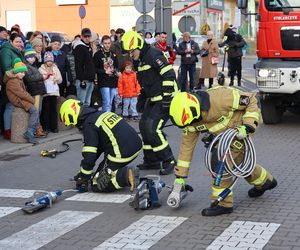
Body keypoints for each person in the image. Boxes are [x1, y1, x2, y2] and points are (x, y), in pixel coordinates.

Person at [168, 88, 277, 216]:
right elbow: (186, 148)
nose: (191, 125)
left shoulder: (220, 99)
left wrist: (247, 126)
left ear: (195, 111)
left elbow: (250, 99)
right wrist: (180, 177)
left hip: (239, 133)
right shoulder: (190, 121)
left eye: (192, 122)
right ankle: (265, 181)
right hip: (222, 139)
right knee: (238, 164)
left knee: (219, 163)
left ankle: (223, 204)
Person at [121, 31, 179, 175]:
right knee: (143, 126)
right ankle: (151, 160)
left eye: (132, 50)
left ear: (139, 46)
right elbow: (147, 81)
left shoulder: (153, 54)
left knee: (152, 128)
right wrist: (142, 97)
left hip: (166, 97)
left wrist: (167, 97)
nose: (131, 54)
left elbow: (169, 74)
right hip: (153, 98)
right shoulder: (140, 60)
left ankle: (168, 160)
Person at [59, 99, 142, 193]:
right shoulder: (99, 114)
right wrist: (83, 173)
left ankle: (125, 175)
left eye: (73, 125)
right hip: (135, 145)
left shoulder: (89, 125)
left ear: (72, 116)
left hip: (121, 153)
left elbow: (90, 155)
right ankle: (117, 172)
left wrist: (84, 177)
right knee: (99, 173)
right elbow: (98, 149)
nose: (76, 128)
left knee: (97, 183)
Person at [5, 58, 39, 144]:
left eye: (24, 72)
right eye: (21, 72)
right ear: (16, 72)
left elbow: (23, 93)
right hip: (18, 100)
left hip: (20, 99)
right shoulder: (13, 81)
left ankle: (33, 130)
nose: (23, 74)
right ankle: (30, 131)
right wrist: (32, 100)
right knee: (34, 111)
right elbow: (21, 93)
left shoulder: (17, 79)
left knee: (35, 110)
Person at [0, 33, 24, 140]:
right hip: (9, 81)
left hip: (18, 80)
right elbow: (7, 67)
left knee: (13, 105)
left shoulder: (17, 51)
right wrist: (17, 73)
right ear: (11, 42)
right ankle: (7, 130)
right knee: (9, 105)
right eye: (17, 42)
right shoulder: (6, 51)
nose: (19, 43)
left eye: (20, 41)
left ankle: (12, 129)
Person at [23, 44, 47, 138]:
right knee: (37, 110)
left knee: (39, 110)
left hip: (39, 90)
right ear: (26, 57)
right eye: (30, 57)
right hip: (35, 91)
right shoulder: (26, 66)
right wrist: (42, 76)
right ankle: (37, 129)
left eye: (33, 57)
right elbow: (29, 78)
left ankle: (38, 128)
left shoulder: (33, 66)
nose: (33, 59)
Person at [93, 35, 119, 112]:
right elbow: (94, 68)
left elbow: (116, 66)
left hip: (113, 80)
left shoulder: (113, 54)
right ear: (102, 43)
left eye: (108, 43)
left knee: (110, 102)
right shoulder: (98, 54)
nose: (107, 45)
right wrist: (104, 71)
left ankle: (107, 117)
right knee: (106, 101)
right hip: (103, 81)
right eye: (105, 43)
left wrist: (117, 72)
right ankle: (105, 119)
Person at [39, 51, 62, 133]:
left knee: (53, 110)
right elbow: (40, 79)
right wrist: (45, 77)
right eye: (48, 61)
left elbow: (60, 79)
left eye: (51, 61)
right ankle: (45, 126)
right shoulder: (41, 69)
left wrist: (56, 79)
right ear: (45, 61)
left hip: (54, 92)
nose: (50, 62)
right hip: (46, 92)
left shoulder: (55, 68)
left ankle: (54, 127)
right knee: (45, 109)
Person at [73, 28, 95, 106]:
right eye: (85, 36)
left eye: (88, 36)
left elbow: (91, 64)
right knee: (81, 103)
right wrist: (81, 80)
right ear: (81, 36)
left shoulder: (88, 47)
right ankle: (80, 118)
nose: (87, 38)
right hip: (84, 79)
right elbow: (78, 65)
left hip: (90, 79)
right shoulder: (79, 47)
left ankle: (85, 118)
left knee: (87, 103)